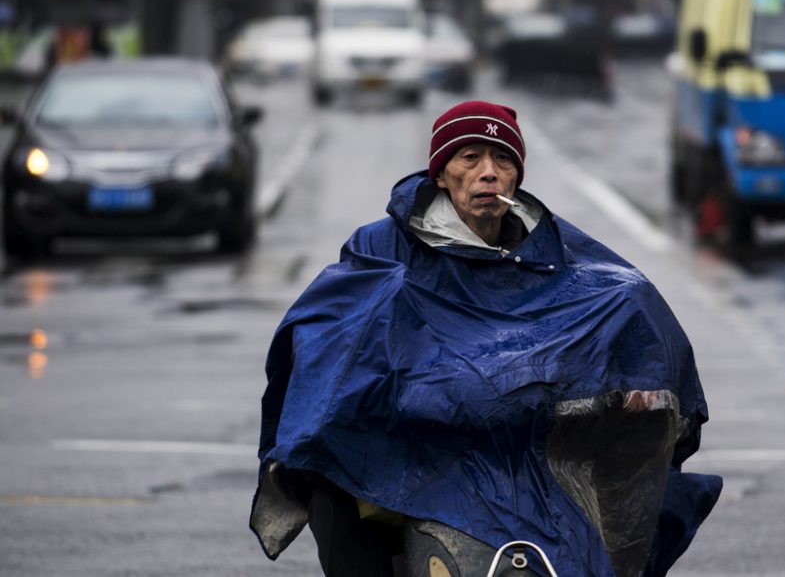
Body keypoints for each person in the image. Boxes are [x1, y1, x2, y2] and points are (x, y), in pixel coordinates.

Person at [250, 100, 722, 576]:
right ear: (440, 173)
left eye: (502, 160)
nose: (488, 173)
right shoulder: (381, 247)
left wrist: (633, 381)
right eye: (470, 158)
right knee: (335, 481)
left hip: (521, 444)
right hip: (407, 443)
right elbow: (335, 335)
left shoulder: (555, 253)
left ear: (517, 176)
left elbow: (614, 306)